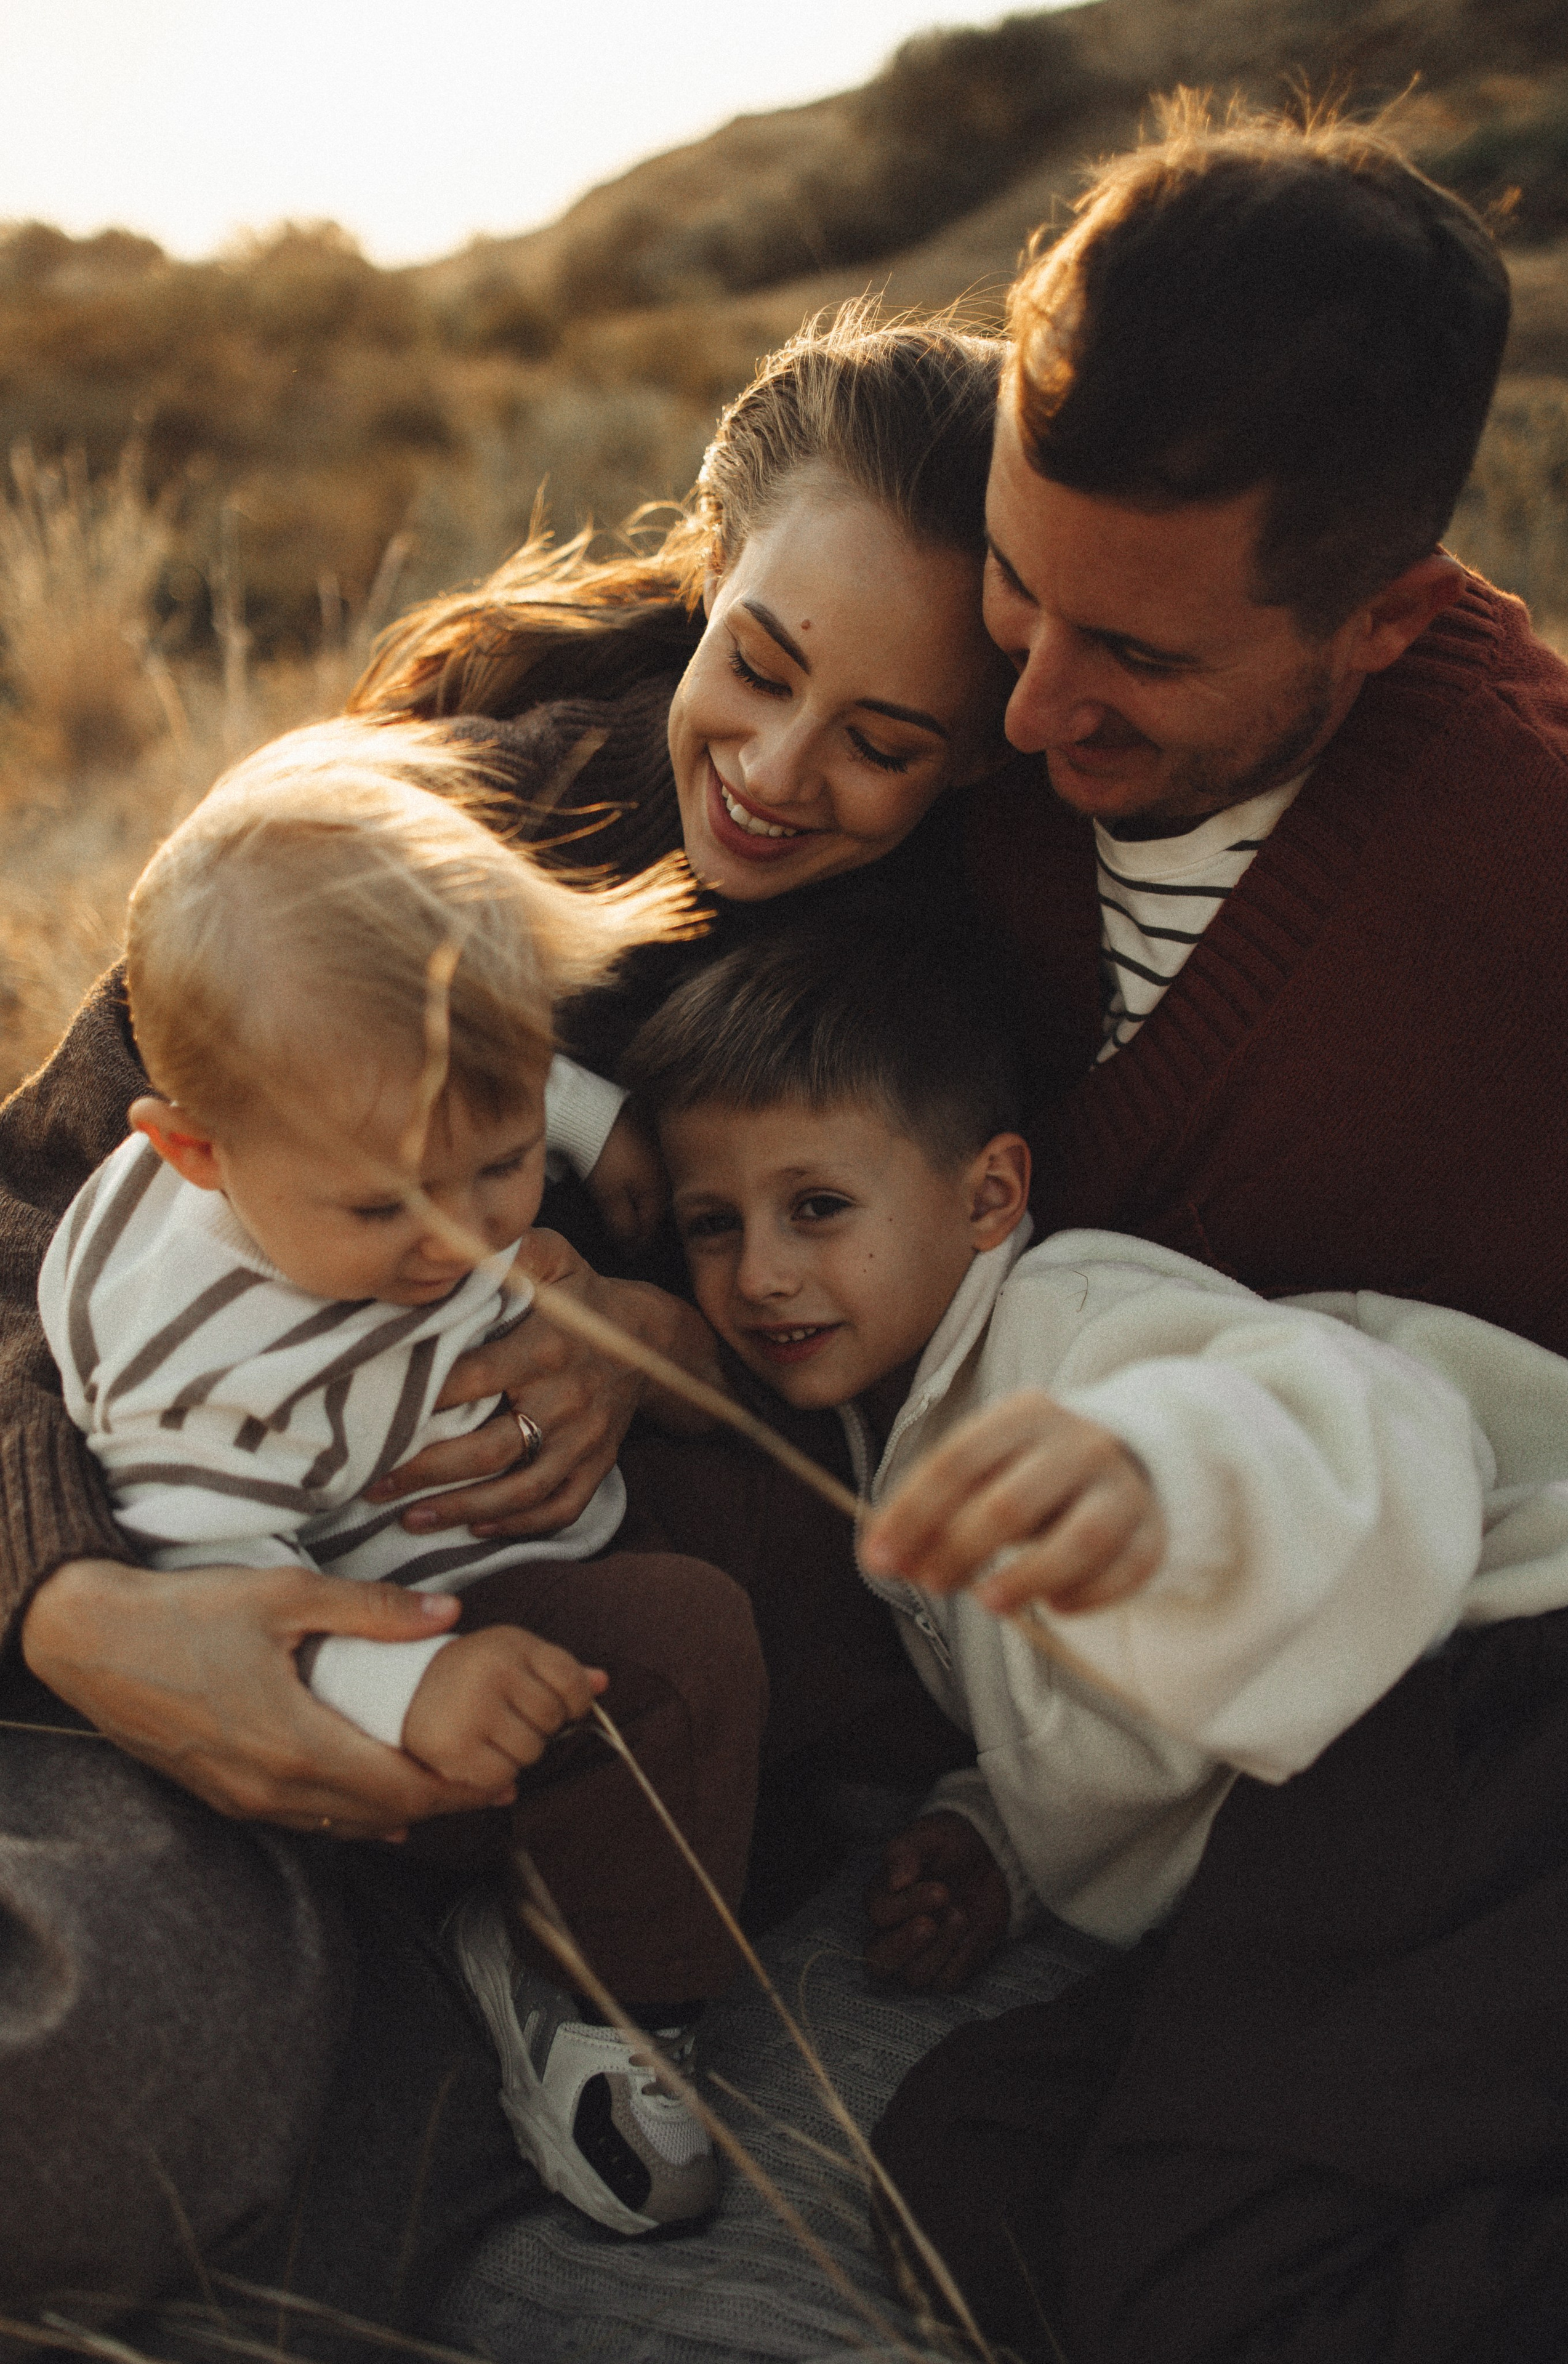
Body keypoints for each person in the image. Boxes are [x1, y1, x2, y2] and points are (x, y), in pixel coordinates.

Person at [0, 309, 1012, 2329]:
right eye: (763, 663)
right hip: (174, 1585)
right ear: (708, 570)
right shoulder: (397, 845)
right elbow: (33, 1205)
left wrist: (673, 1341)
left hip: (538, 1664)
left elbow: (927, 1360)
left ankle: (496, 2020)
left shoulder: (925, 992)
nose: (783, 773)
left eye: (888, 743)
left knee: (121, 2072)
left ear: (982, 754)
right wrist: (80, 1612)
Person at [853, 102, 1568, 2364]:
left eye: (1139, 663)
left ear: (1383, 614)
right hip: (1239, 1801)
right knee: (980, 2193)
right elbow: (272, 968)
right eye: (1015, 585)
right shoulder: (883, 684)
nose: (1034, 700)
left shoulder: (1528, 860)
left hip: (1501, 1697)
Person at [39, 716, 776, 2239]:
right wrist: (404, 1698)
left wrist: (591, 1120)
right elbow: (227, 1608)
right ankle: (593, 2000)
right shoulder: (193, 1360)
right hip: (379, 1622)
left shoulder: (384, 1103)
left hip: (505, 1483)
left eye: (498, 1164)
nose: (459, 1237)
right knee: (680, 1652)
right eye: (387, 1206)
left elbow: (483, 1055)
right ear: (192, 1155)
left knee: (808, 1586)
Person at [622, 933, 1568, 1987]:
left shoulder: (1072, 1320)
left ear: (989, 1199)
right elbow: (1127, 1718)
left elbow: (1365, 1418)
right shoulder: (885, 1432)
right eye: (712, 1224)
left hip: (1505, 1662)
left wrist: (1161, 1471)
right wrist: (1005, 1846)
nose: (758, 1274)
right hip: (1316, 1804)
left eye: (818, 1208)